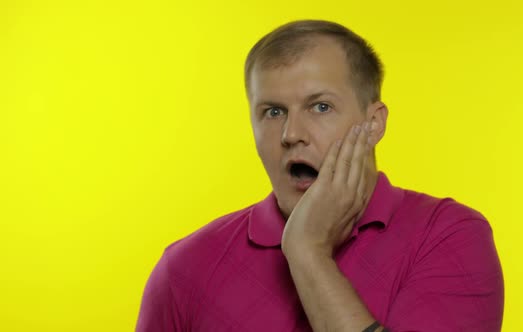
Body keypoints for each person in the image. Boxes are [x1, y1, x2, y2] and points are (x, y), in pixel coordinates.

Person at [136, 20, 504, 332]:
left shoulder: (449, 236)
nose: (292, 133)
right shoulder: (185, 268)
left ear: (373, 123)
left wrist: (308, 252)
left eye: (320, 106)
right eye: (273, 112)